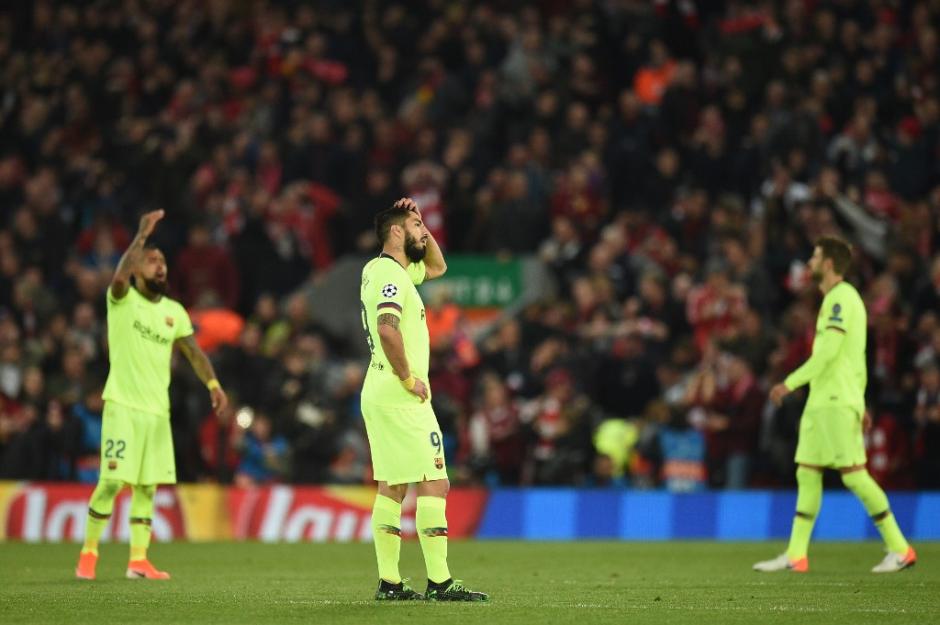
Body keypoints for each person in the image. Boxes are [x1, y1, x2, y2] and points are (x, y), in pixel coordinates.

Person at [75, 210, 228, 581]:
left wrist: (213, 384)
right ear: (137, 268)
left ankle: (138, 560)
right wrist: (141, 236)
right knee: (111, 482)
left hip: (157, 412)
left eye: (162, 262)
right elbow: (119, 274)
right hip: (123, 406)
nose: (160, 267)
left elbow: (193, 350)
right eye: (152, 261)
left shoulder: (174, 312)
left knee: (147, 487)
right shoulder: (122, 299)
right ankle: (89, 553)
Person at [754, 237, 916, 574]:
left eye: (815, 256)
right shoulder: (834, 299)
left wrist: (790, 382)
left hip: (833, 401)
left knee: (854, 475)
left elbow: (828, 354)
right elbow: (854, 357)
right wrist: (860, 399)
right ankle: (796, 554)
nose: (810, 262)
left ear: (829, 263)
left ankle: (900, 548)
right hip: (824, 400)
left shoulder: (841, 299)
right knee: (807, 471)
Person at [359, 198, 488, 601]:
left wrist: (422, 225)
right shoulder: (392, 278)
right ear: (396, 232)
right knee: (436, 481)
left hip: (379, 392)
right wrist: (408, 377)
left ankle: (389, 583)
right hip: (399, 392)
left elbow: (437, 267)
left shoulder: (383, 271)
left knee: (393, 486)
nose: (423, 231)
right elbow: (387, 328)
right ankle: (440, 581)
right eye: (416, 225)